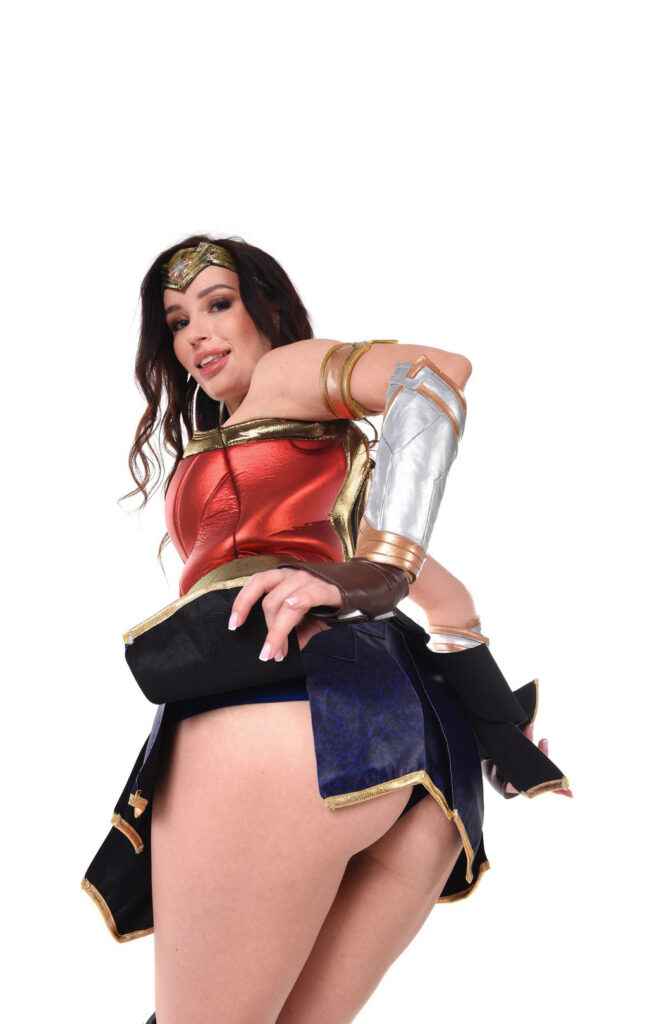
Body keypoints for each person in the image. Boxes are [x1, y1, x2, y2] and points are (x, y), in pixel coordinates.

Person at [81, 235, 572, 1024]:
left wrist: (376, 573)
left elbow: (434, 374)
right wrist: (500, 735)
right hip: (417, 766)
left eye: (217, 304)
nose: (196, 334)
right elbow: (452, 609)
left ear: (266, 308)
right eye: (176, 322)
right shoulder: (326, 485)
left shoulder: (285, 374)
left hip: (282, 725)